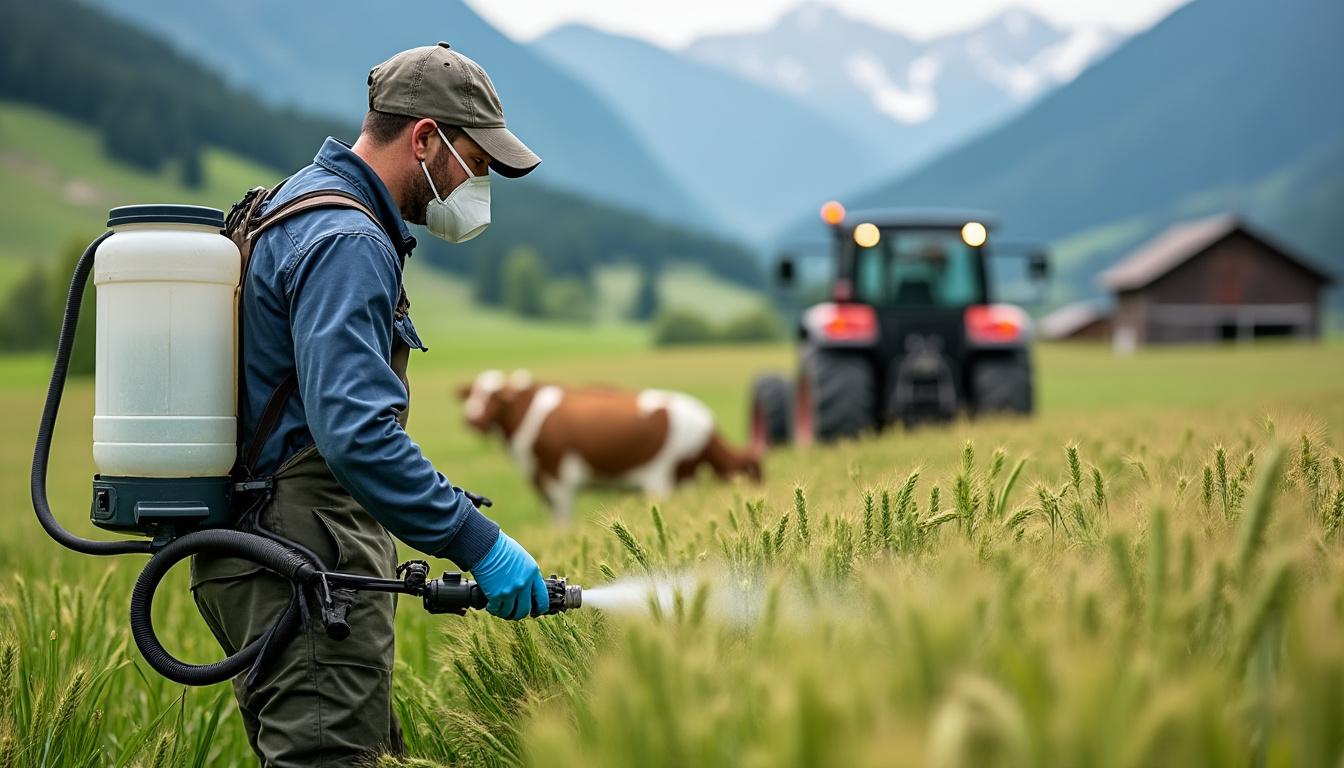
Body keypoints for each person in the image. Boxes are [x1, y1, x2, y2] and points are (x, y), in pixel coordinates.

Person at [190, 43, 547, 767]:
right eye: (477, 164)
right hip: (302, 560)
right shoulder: (349, 238)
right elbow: (354, 435)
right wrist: (478, 543)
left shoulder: (298, 202)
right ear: (425, 139)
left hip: (271, 554)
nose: (480, 187)